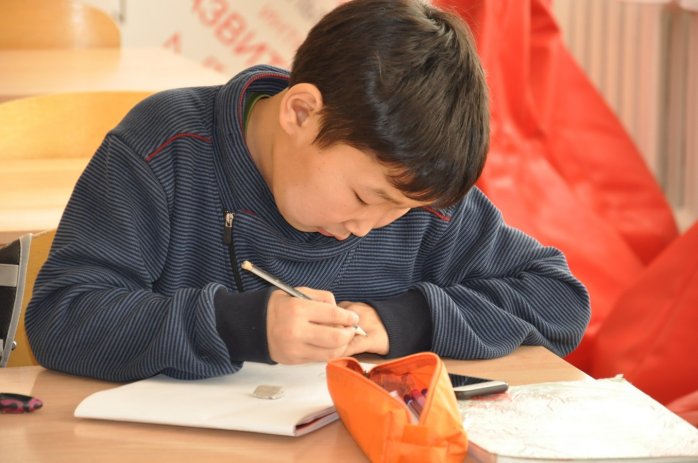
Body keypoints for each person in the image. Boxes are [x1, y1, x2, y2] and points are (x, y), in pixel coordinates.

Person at [25, 0, 590, 381]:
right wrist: (241, 326)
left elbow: (559, 300)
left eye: (399, 211)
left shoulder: (411, 190)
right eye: (364, 198)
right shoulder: (166, 149)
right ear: (300, 113)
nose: (369, 227)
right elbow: (62, 318)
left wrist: (400, 321)